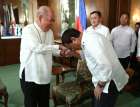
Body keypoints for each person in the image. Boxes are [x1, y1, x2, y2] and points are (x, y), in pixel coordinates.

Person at [61, 28, 129, 107]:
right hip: (104, 78)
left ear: (73, 39)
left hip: (109, 81)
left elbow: (106, 66)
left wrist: (100, 85)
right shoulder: (87, 38)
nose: (72, 49)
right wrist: (73, 53)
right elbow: (88, 56)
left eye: (71, 47)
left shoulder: (91, 42)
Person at [19, 6, 69, 107]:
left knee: (44, 103)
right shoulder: (28, 30)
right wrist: (58, 46)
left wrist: (60, 53)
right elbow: (37, 48)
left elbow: (49, 50)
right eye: (50, 20)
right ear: (40, 18)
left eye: (53, 20)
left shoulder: (50, 32)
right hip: (30, 74)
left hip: (44, 73)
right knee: (30, 103)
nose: (52, 23)